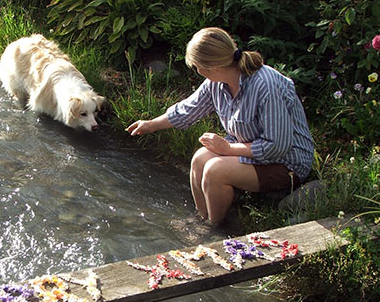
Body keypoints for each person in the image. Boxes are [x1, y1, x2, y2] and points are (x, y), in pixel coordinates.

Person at [126, 27, 314, 226]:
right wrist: (151, 125)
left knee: (215, 170)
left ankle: (212, 227)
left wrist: (228, 149)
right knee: (199, 159)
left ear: (212, 66)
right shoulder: (216, 82)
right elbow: (189, 109)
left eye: (197, 66)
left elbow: (277, 146)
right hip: (251, 150)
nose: (197, 71)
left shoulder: (265, 86)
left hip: (287, 163)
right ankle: (200, 218)